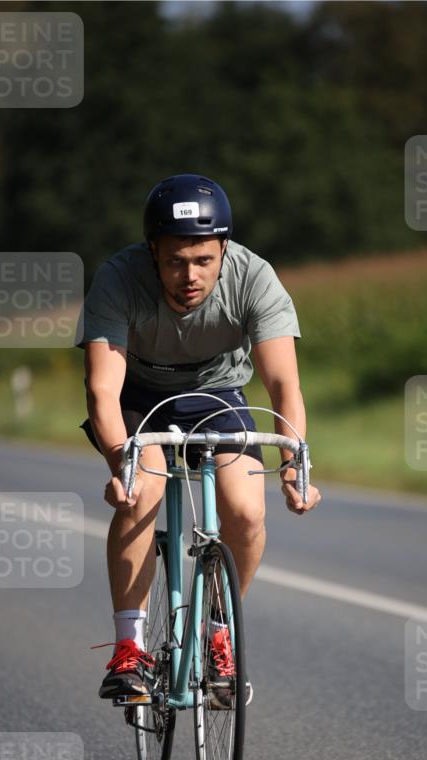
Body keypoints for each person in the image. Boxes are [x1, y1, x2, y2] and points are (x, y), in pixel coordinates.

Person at [77, 174, 321, 702]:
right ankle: (130, 650)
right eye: (174, 261)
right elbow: (102, 390)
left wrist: (296, 467)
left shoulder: (254, 278)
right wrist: (123, 465)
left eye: (203, 260)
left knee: (248, 513)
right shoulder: (118, 280)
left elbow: (283, 385)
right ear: (152, 253)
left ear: (224, 249)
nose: (190, 275)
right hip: (138, 397)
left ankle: (218, 633)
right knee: (143, 492)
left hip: (217, 394)